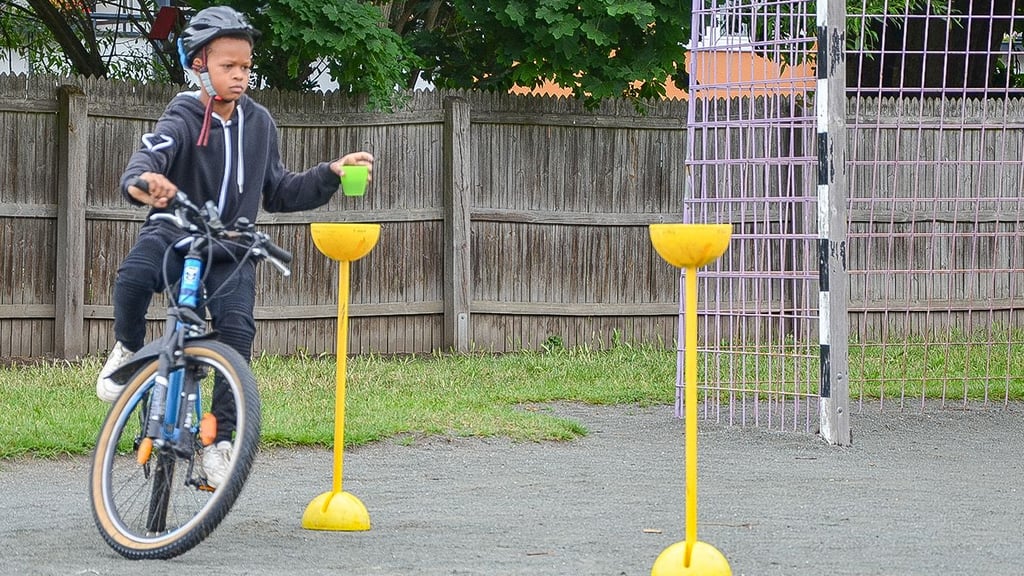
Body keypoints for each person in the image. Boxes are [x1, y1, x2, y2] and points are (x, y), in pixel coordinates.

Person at [96, 5, 374, 487]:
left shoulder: (260, 123)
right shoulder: (183, 113)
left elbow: (281, 190)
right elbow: (147, 158)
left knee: (238, 336)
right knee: (135, 275)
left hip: (232, 248)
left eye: (246, 66)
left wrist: (329, 174)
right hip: (177, 231)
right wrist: (145, 182)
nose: (241, 75)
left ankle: (218, 443)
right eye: (229, 66)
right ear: (199, 64)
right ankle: (125, 350)